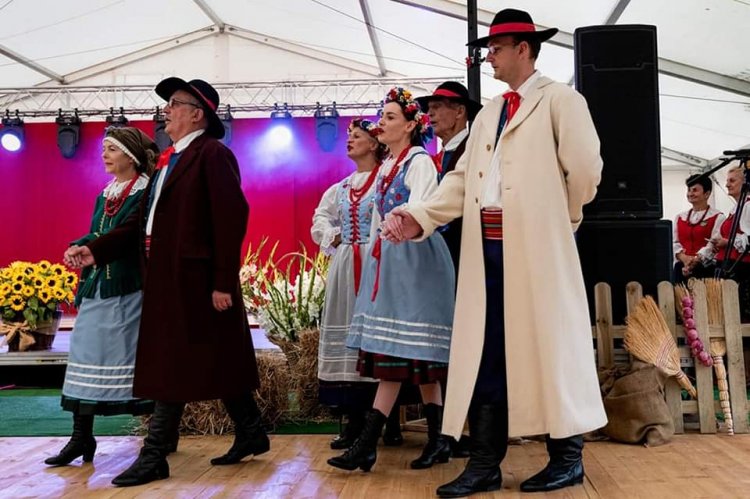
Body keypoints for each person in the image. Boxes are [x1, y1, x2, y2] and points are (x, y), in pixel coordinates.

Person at [382, 9, 607, 496]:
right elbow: (462, 181)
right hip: (487, 249)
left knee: (553, 347)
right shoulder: (489, 114)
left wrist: (560, 218)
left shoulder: (561, 100)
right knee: (487, 353)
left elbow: (586, 171)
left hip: (538, 249)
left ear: (523, 49)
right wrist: (419, 215)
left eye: (496, 49)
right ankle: (484, 462)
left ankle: (567, 458)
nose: (490, 58)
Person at [65, 78, 268, 487]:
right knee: (217, 356)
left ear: (197, 114)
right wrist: (97, 250)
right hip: (165, 273)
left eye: (174, 103)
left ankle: (155, 453)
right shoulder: (168, 159)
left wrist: (222, 282)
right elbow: (141, 224)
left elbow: (230, 220)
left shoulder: (212, 154)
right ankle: (250, 430)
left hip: (195, 277)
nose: (166, 110)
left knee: (173, 361)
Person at [327, 87, 456, 473]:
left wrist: (401, 222)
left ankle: (369, 445)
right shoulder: (387, 167)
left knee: (404, 355)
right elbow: (377, 219)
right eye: (381, 117)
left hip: (417, 260)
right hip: (391, 261)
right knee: (412, 357)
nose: (381, 123)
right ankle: (435, 440)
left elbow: (425, 205)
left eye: (390, 117)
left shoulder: (419, 162)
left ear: (411, 125)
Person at [45, 127, 158, 467]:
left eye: (112, 149)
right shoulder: (106, 192)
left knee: (134, 361)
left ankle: (159, 440)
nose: (104, 154)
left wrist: (92, 248)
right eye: (104, 148)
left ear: (131, 157)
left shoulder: (145, 192)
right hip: (96, 285)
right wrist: (78, 245)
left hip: (126, 286)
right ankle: (81, 437)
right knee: (82, 356)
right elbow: (99, 231)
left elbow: (129, 233)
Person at [311, 119, 384, 450]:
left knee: (376, 336)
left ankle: (382, 421)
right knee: (348, 338)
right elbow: (320, 218)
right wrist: (334, 235)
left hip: (377, 262)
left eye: (357, 136)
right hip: (346, 266)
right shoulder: (341, 188)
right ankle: (354, 421)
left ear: (374, 144)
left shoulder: (385, 180)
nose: (349, 140)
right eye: (349, 136)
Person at [415, 81, 482, 270]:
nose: (429, 114)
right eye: (429, 109)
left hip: (466, 250)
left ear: (459, 112)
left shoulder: (474, 149)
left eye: (437, 107)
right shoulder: (437, 157)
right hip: (442, 252)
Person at [699, 166, 750, 318]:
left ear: (745, 183)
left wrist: (727, 242)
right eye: (727, 181)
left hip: (741, 269)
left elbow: (748, 239)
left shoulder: (748, 206)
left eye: (732, 181)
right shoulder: (736, 208)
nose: (727, 184)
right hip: (728, 266)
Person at [673, 174, 724, 283]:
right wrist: (683, 258)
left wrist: (695, 260)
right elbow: (674, 242)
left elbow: (713, 244)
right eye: (689, 190)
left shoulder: (718, 217)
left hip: (705, 268)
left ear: (707, 194)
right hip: (681, 267)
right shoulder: (680, 217)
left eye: (695, 190)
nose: (690, 193)